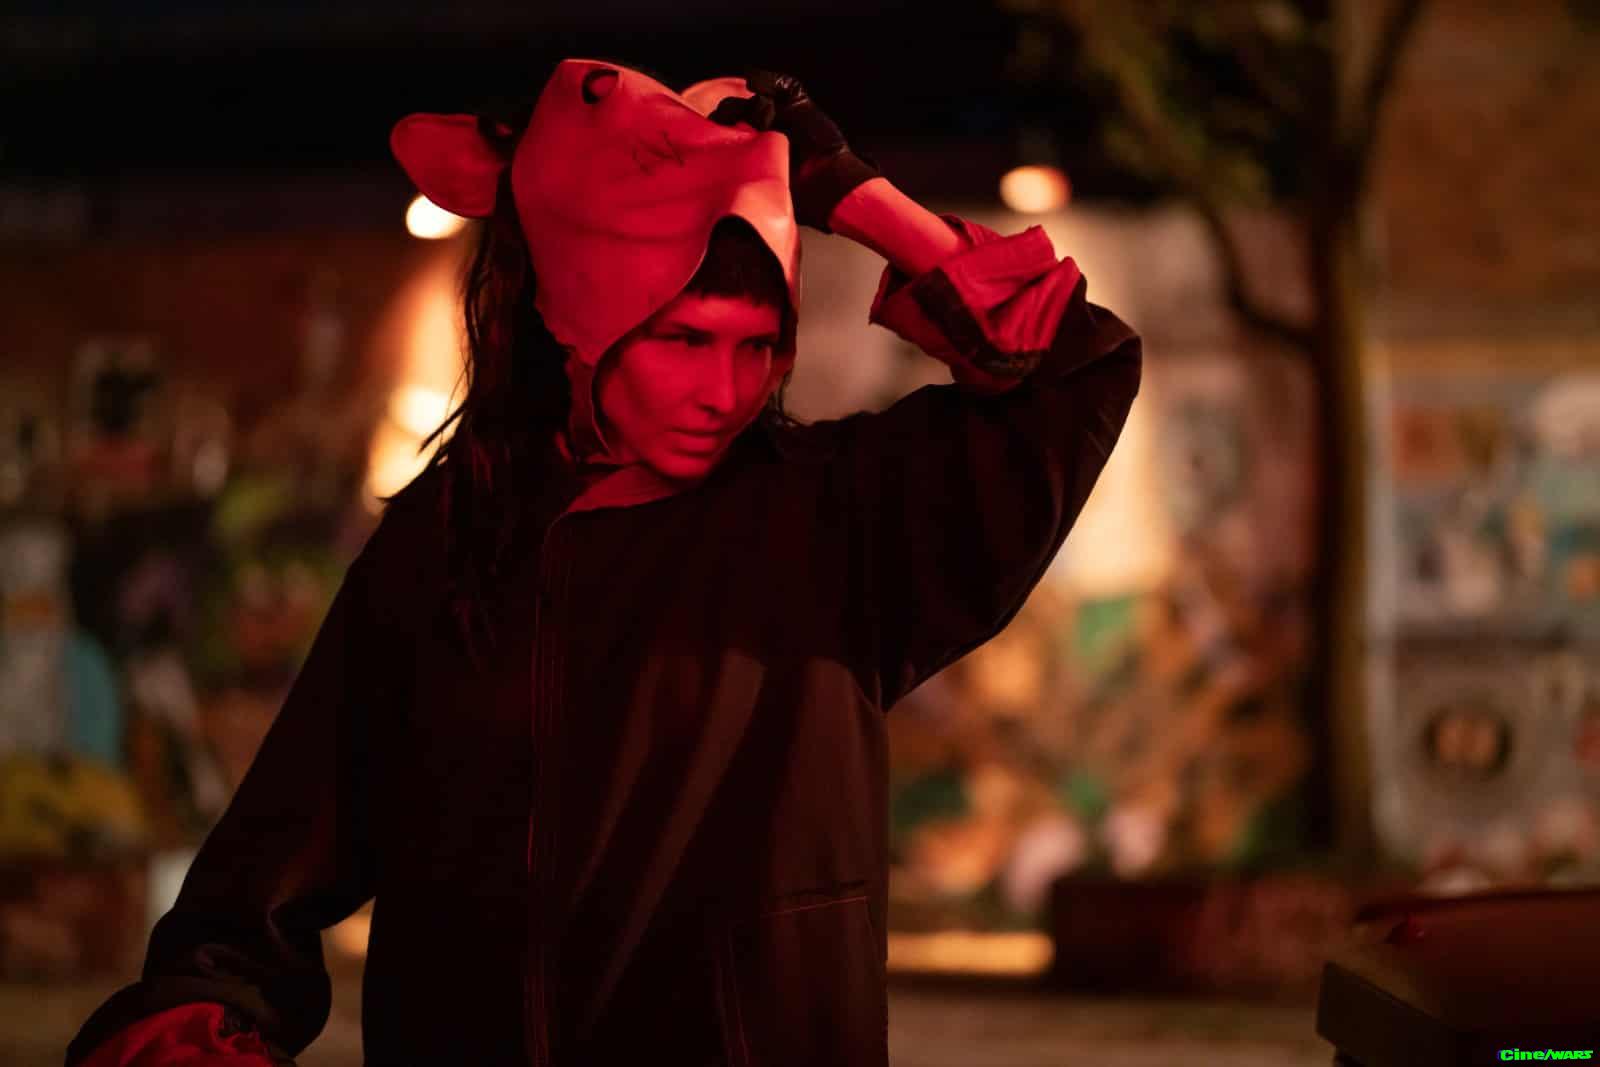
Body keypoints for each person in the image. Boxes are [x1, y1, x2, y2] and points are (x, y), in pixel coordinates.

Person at [64, 59, 1142, 1067]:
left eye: (756, 346)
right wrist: (205, 1015)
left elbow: (1075, 372)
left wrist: (860, 200)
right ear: (582, 314)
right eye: (684, 339)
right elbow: (282, 853)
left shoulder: (835, 521)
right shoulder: (450, 540)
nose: (726, 391)